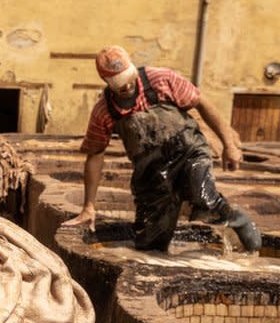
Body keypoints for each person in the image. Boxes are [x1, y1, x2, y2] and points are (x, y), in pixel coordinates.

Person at [63, 45, 261, 253]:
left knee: (202, 196)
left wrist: (228, 145)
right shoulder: (104, 110)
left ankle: (236, 219)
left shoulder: (160, 79)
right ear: (107, 82)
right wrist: (89, 206)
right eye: (120, 84)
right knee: (149, 243)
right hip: (151, 172)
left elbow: (201, 103)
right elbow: (95, 155)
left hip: (188, 154)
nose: (127, 86)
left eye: (129, 78)